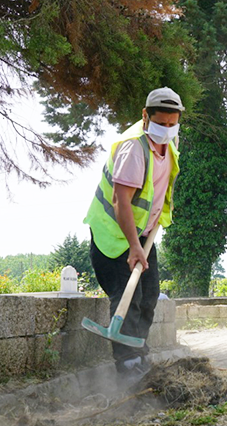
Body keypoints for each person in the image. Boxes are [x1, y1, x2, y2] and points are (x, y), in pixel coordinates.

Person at [85, 87, 183, 380]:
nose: (166, 130)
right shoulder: (133, 148)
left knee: (150, 294)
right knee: (128, 295)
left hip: (142, 234)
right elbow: (120, 201)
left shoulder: (169, 141)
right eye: (160, 123)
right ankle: (127, 366)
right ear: (145, 116)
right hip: (114, 236)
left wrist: (146, 235)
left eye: (171, 124)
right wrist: (133, 246)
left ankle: (139, 355)